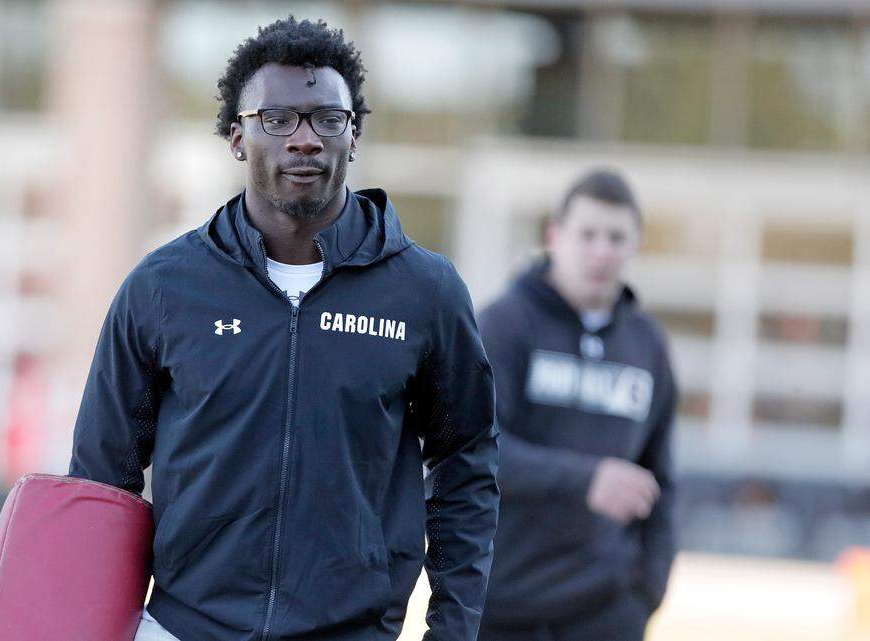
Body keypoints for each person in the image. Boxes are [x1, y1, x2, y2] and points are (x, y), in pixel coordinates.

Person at [69, 17, 500, 641]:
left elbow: (468, 463)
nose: (304, 138)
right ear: (237, 137)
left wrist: (452, 629)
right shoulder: (162, 289)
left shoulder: (426, 293)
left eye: (328, 118)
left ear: (353, 138)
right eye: (277, 118)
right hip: (184, 628)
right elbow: (100, 479)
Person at [475, 169, 677, 641]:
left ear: (636, 246)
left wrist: (649, 589)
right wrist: (585, 480)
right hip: (504, 604)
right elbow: (473, 449)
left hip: (606, 609)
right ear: (555, 236)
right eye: (588, 234)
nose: (602, 251)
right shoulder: (504, 325)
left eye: (617, 237)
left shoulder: (647, 345)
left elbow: (663, 478)